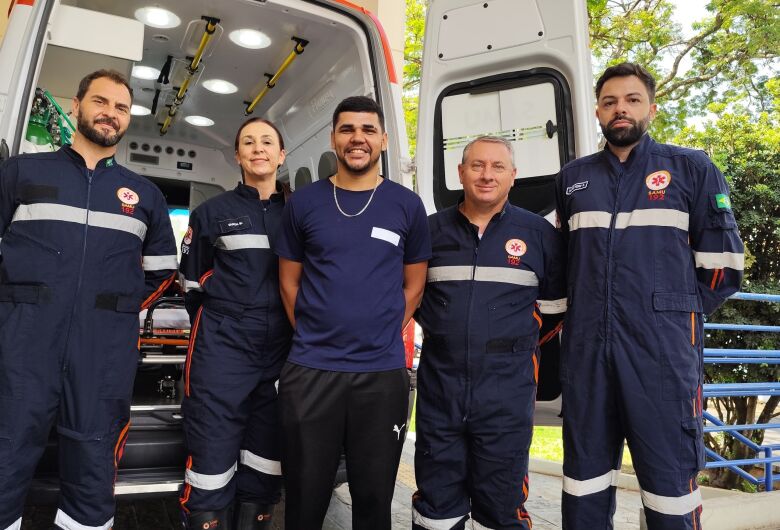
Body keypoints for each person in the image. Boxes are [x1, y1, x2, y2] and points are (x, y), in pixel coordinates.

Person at [556, 62, 744, 530]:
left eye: (632, 100)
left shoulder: (690, 169)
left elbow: (724, 266)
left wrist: (674, 314)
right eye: (610, 101)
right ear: (597, 112)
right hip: (586, 356)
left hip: (661, 356)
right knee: (584, 480)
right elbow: (562, 263)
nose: (620, 109)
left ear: (652, 109)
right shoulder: (573, 178)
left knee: (669, 486)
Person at [0, 69, 177, 530]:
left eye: (121, 107)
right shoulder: (21, 172)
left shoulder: (146, 195)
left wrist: (115, 308)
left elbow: (162, 272)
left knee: (94, 457)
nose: (110, 114)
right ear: (76, 105)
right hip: (22, 343)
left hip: (103, 350)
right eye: (101, 102)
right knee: (6, 447)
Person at [275, 95, 431, 530]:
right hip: (310, 371)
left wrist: (381, 330)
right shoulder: (304, 204)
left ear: (382, 139)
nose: (357, 138)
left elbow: (414, 285)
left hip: (381, 375)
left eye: (367, 130)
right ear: (333, 139)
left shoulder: (406, 205)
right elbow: (289, 281)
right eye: (347, 129)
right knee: (305, 498)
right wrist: (310, 332)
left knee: (373, 497)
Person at [411, 136, 566, 530]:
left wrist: (511, 344)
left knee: (501, 505)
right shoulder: (428, 231)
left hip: (506, 392)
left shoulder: (539, 234)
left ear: (513, 176)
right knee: (436, 503)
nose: (486, 175)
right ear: (460, 173)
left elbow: (554, 309)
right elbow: (410, 295)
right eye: (477, 165)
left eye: (497, 167)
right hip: (440, 387)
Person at [178, 117, 292, 530]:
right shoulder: (211, 213)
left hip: (282, 349)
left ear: (281, 154)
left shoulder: (301, 213)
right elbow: (192, 283)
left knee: (266, 459)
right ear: (238, 155)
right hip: (223, 345)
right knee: (211, 453)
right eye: (248, 142)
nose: (258, 148)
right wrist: (227, 320)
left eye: (267, 142)